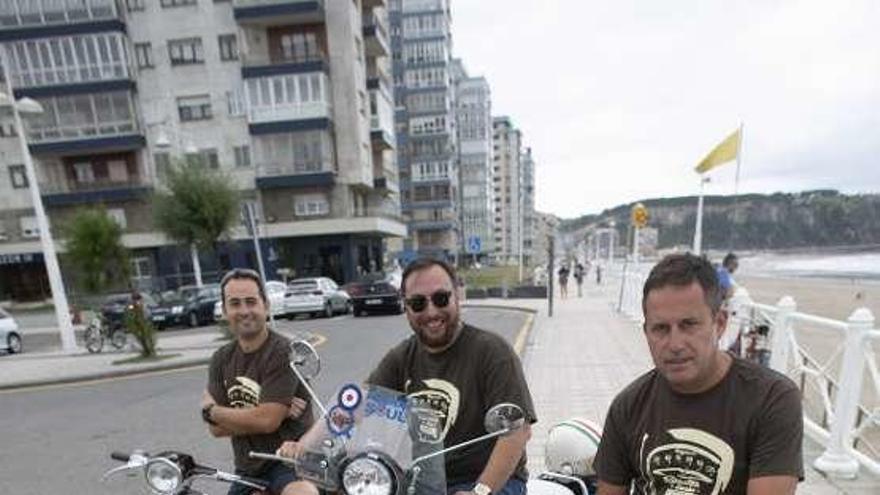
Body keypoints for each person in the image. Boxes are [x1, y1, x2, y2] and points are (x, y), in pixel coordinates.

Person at [593, 254, 803, 495]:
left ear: (720, 323)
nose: (675, 344)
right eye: (660, 329)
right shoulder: (628, 406)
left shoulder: (771, 399)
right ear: (646, 332)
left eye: (688, 325)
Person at [367, 258, 536, 495]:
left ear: (458, 296)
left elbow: (517, 433)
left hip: (488, 480)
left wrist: (480, 491)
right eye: (417, 303)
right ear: (406, 307)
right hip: (420, 481)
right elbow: (356, 406)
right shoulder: (400, 357)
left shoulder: (493, 352)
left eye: (441, 298)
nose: (431, 311)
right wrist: (305, 447)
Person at [201, 268, 318, 495]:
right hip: (247, 470)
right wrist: (262, 411)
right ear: (224, 311)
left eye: (251, 301)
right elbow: (216, 431)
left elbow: (267, 421)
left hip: (291, 464)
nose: (244, 311)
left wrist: (213, 411)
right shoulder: (221, 359)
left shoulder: (283, 351)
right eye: (235, 303)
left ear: (266, 305)